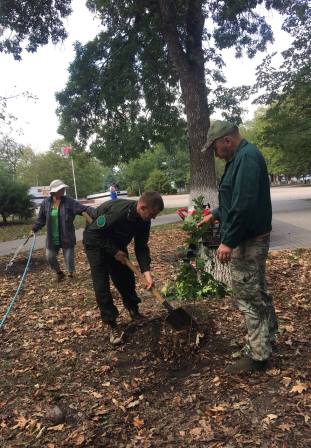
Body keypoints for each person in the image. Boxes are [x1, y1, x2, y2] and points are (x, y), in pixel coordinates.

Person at [199, 120, 278, 374]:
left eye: (215, 148)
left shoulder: (246, 159)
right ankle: (268, 340)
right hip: (249, 235)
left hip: (247, 239)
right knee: (258, 291)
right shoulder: (241, 158)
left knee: (248, 297)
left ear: (227, 141)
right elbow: (236, 199)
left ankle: (258, 357)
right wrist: (216, 214)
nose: (215, 153)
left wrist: (227, 241)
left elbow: (244, 206)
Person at [83, 191, 164, 345]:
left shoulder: (144, 220)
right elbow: (92, 234)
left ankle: (133, 310)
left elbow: (141, 246)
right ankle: (111, 323)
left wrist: (147, 272)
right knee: (101, 284)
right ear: (142, 206)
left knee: (125, 278)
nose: (153, 218)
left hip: (116, 243)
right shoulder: (118, 212)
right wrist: (113, 251)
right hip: (96, 243)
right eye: (152, 214)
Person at [31, 179, 93, 282]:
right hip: (52, 237)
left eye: (63, 188)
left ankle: (71, 274)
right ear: (54, 191)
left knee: (68, 258)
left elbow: (83, 208)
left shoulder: (69, 201)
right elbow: (41, 219)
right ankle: (59, 273)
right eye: (61, 188)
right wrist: (34, 229)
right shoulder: (46, 203)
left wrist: (95, 212)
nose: (63, 190)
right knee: (50, 257)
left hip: (66, 235)